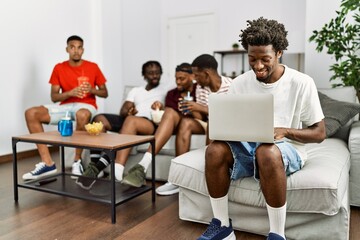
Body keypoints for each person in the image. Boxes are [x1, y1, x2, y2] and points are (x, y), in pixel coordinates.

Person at [197, 17, 326, 240]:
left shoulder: (302, 82)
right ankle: (222, 226)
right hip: (248, 147)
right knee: (214, 149)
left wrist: (284, 131)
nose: (258, 66)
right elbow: (231, 122)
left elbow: (319, 133)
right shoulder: (240, 83)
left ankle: (277, 234)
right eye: (252, 59)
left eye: (265, 59)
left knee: (266, 150)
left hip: (285, 149)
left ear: (279, 53)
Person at [23, 35, 108, 181]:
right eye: (72, 47)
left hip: (86, 105)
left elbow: (104, 93)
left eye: (79, 47)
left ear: (83, 50)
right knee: (31, 113)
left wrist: (92, 90)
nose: (76, 50)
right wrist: (70, 93)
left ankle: (77, 162)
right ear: (67, 49)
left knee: (82, 114)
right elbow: (54, 97)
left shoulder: (92, 67)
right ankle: (47, 163)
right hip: (66, 106)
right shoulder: (59, 68)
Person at [150, 54, 233, 195]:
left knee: (214, 121)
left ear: (206, 74)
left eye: (197, 75)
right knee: (186, 122)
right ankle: (177, 178)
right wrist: (192, 109)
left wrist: (200, 107)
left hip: (224, 123)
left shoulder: (231, 86)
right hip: (207, 121)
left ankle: (209, 173)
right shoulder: (201, 88)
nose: (194, 79)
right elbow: (201, 117)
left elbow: (230, 114)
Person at [76, 60, 167, 189]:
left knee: (131, 120)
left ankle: (110, 171)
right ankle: (96, 166)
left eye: (157, 73)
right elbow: (123, 111)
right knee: (98, 119)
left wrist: (160, 107)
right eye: (151, 73)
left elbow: (169, 107)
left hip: (149, 122)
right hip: (130, 119)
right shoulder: (136, 90)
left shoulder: (165, 90)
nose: (154, 76)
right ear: (144, 75)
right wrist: (129, 110)